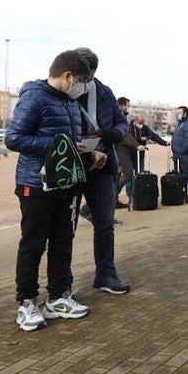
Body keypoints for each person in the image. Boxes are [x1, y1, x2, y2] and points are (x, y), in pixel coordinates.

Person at [6, 50, 106, 332]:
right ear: (68, 76)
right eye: (82, 82)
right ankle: (27, 302)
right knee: (33, 244)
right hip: (36, 183)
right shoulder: (34, 98)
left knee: (63, 241)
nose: (83, 88)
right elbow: (14, 138)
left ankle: (58, 297)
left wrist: (89, 153)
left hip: (67, 183)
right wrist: (58, 145)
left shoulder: (71, 103)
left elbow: (72, 141)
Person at [72, 48, 131, 295]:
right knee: (66, 228)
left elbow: (122, 124)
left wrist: (108, 135)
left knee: (105, 224)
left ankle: (106, 274)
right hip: (72, 167)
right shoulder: (62, 90)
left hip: (103, 166)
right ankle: (62, 284)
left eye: (87, 76)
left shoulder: (104, 92)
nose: (82, 81)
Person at [170, 105, 188, 203]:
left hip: (185, 156)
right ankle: (183, 193)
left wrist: (181, 151)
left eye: (179, 113)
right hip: (178, 156)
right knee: (181, 175)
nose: (177, 115)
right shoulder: (180, 125)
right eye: (177, 113)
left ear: (185, 114)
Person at [114, 97, 138, 208]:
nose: (128, 108)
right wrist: (137, 145)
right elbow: (125, 135)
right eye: (127, 105)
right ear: (122, 105)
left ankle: (114, 200)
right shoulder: (119, 116)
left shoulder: (120, 116)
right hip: (120, 149)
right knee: (128, 173)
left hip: (118, 149)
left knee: (117, 175)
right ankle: (112, 195)